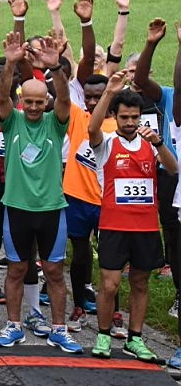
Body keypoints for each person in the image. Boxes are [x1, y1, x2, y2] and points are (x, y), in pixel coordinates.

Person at [0, 31, 82, 353]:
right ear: (21, 101)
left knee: (55, 272)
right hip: (16, 208)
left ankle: (59, 328)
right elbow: (1, 97)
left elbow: (63, 99)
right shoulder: (12, 121)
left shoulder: (55, 123)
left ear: (45, 102)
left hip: (51, 209)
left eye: (37, 102)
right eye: (27, 101)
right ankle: (14, 325)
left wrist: (55, 68)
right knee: (17, 269)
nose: (32, 107)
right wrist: (12, 63)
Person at [88, 73, 176, 362]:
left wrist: (160, 143)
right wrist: (109, 91)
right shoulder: (108, 143)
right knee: (110, 284)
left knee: (140, 283)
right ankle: (103, 335)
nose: (129, 122)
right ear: (116, 116)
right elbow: (92, 127)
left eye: (134, 117)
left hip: (146, 226)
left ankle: (135, 339)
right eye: (124, 117)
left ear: (140, 117)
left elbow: (173, 170)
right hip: (114, 225)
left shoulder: (150, 143)